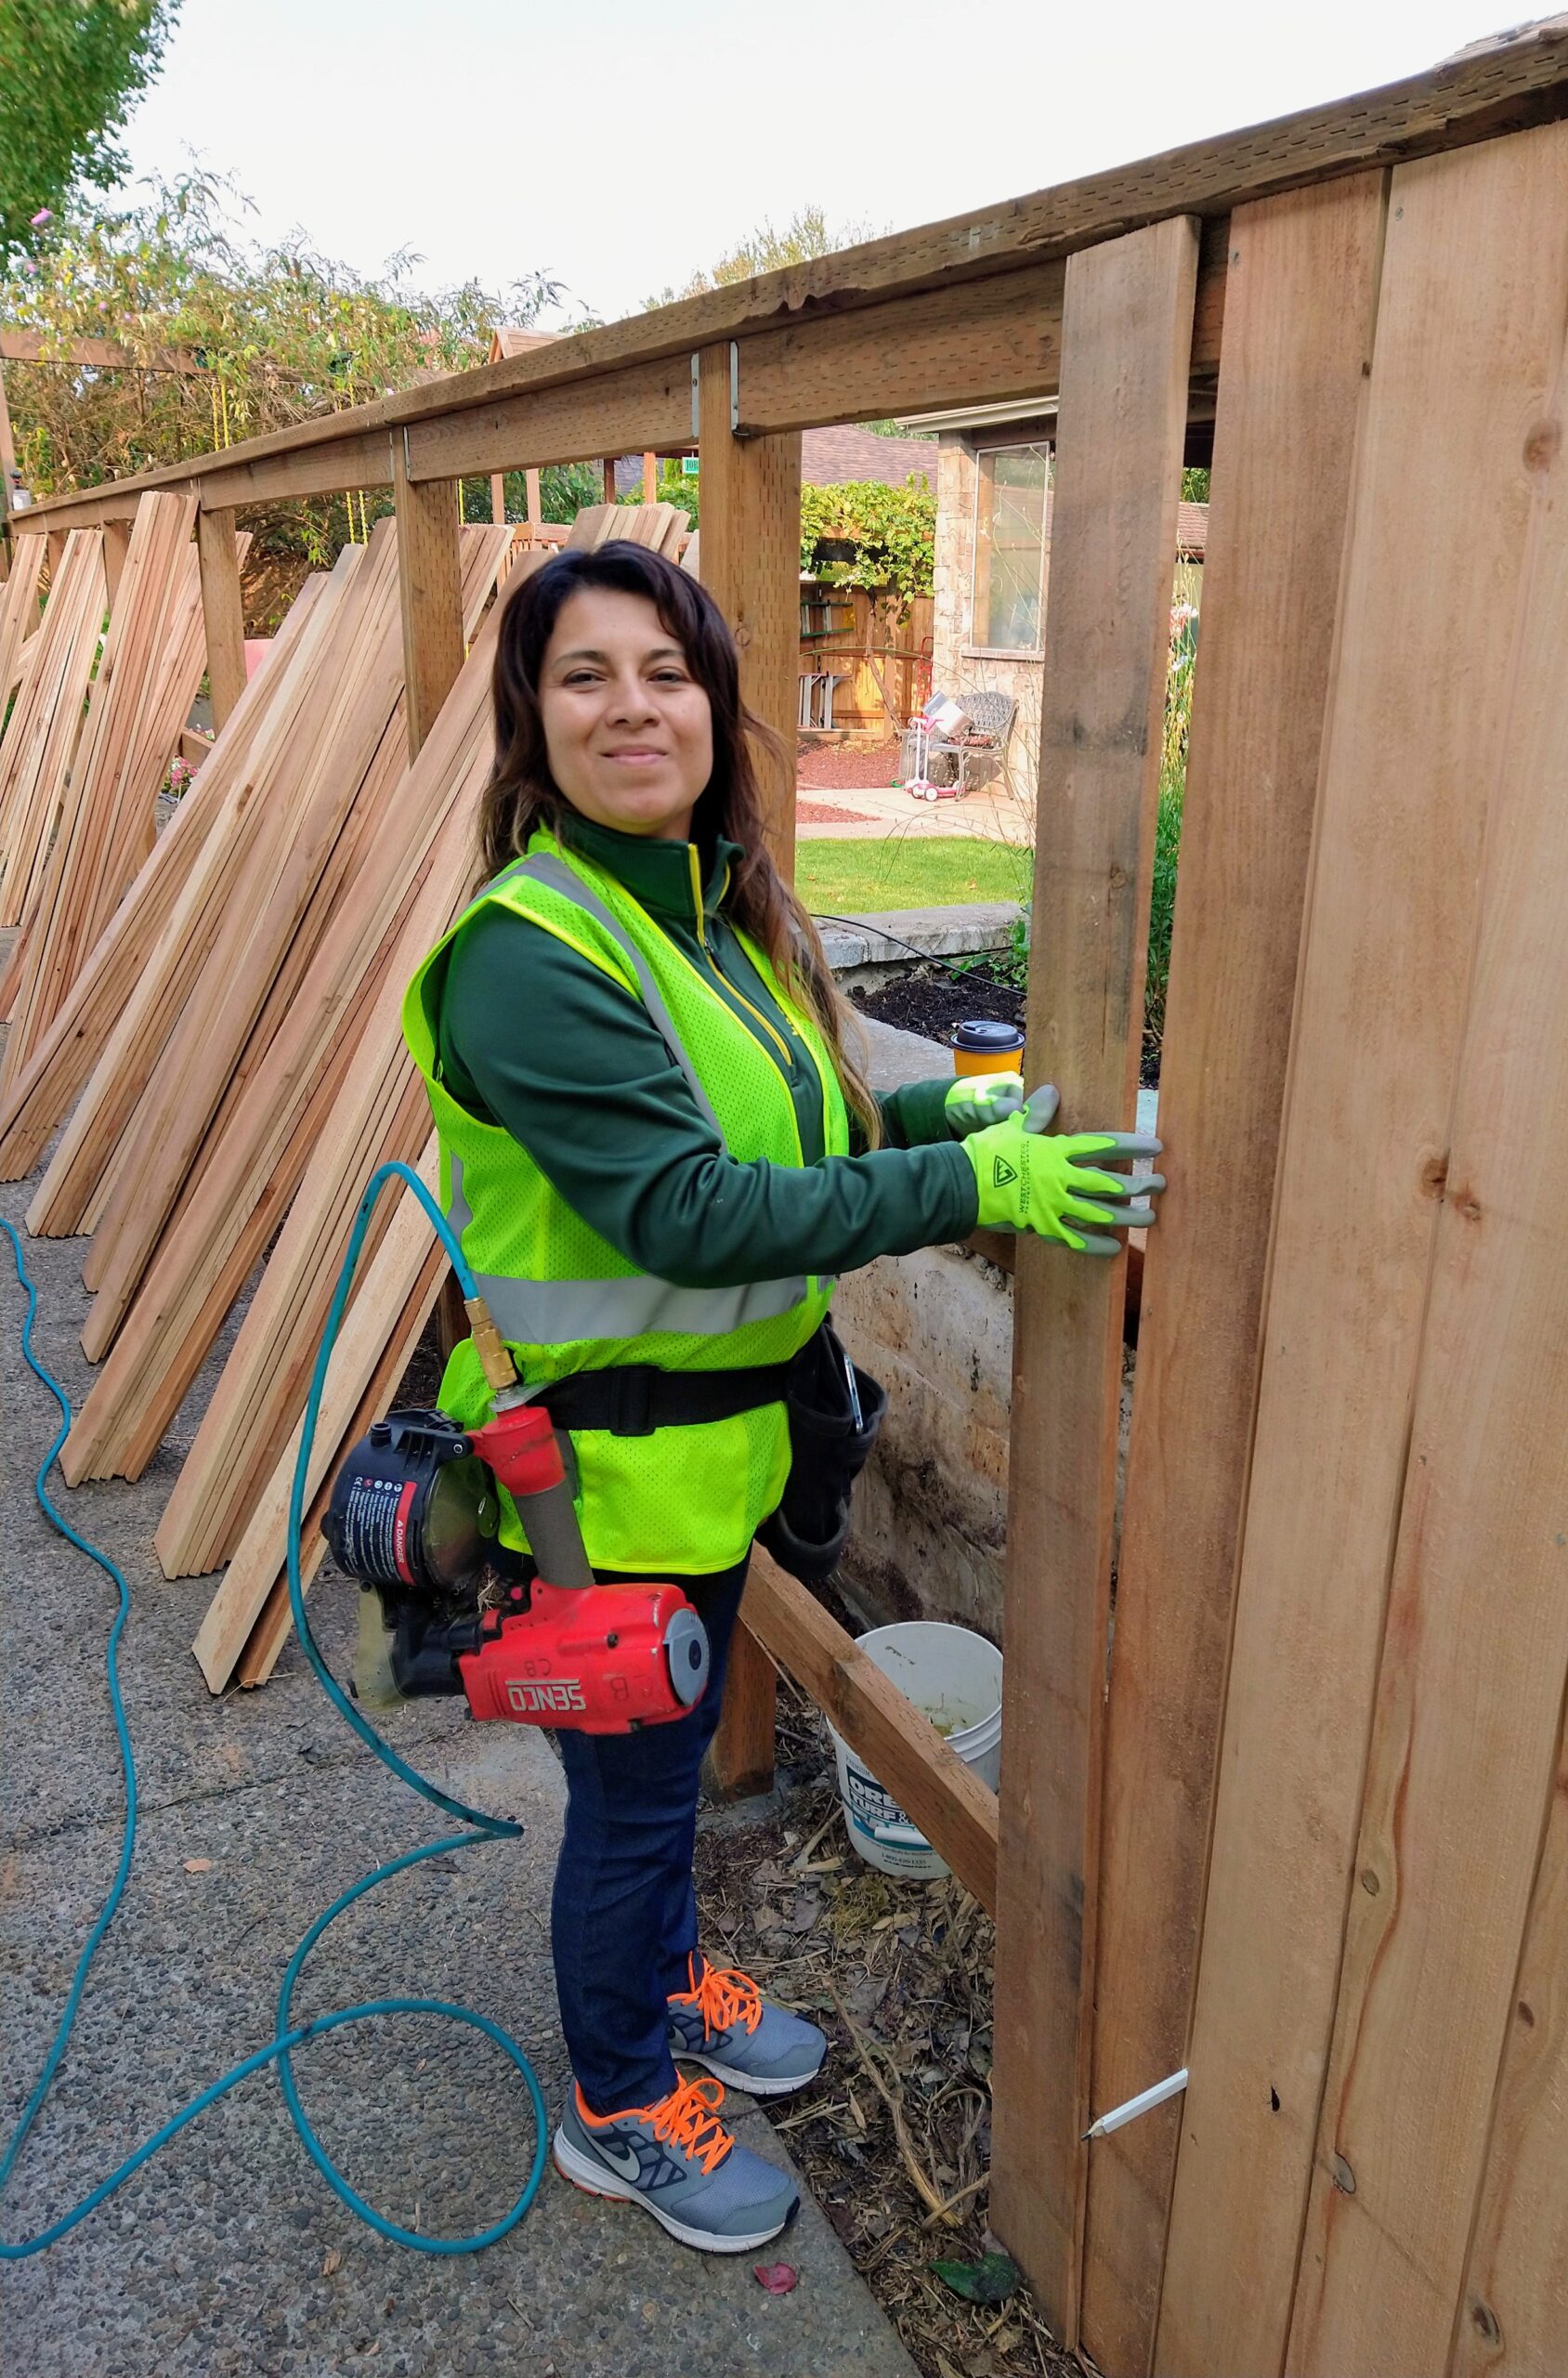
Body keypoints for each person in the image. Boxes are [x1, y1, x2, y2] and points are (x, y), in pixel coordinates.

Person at [399, 542, 1164, 2254]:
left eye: (665, 670)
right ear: (532, 716)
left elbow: (790, 1130)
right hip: (596, 1481)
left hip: (708, 1450)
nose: (633, 705)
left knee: (657, 1781)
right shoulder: (534, 954)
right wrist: (977, 1198)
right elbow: (681, 1211)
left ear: (715, 704)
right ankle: (613, 2095)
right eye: (584, 673)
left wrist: (932, 1129)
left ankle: (666, 1978)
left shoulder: (709, 915)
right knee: (634, 1799)